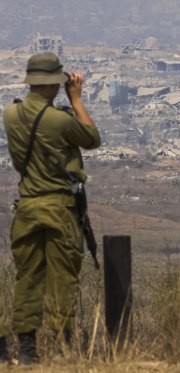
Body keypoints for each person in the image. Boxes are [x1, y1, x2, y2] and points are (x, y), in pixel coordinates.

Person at [0, 52, 100, 364]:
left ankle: (27, 351)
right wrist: (77, 98)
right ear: (55, 83)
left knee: (27, 277)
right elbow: (92, 138)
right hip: (60, 207)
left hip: (27, 206)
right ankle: (61, 348)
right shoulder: (59, 119)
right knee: (62, 279)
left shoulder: (10, 114)